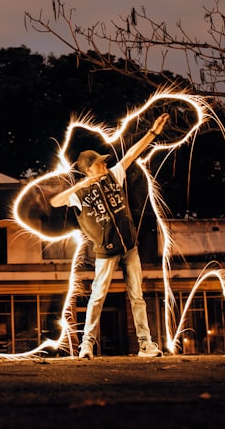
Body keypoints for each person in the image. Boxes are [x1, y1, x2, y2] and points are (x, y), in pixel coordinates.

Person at [50, 112, 170, 359]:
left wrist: (153, 133)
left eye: (104, 163)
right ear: (88, 169)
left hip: (130, 247)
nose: (105, 165)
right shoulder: (80, 194)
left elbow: (131, 155)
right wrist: (78, 186)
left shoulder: (114, 176)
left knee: (137, 297)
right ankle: (87, 345)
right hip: (106, 252)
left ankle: (145, 344)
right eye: (99, 164)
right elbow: (55, 201)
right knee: (97, 298)